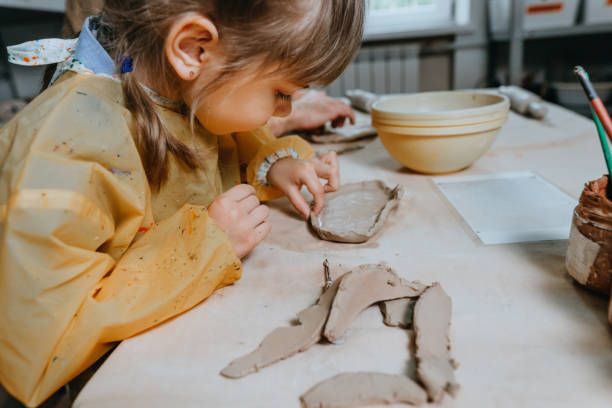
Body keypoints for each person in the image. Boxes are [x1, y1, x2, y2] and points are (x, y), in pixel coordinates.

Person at [0, 1, 365, 406]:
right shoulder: (65, 150)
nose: (286, 112)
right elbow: (42, 346)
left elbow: (212, 148)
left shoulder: (177, 92)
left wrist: (274, 164)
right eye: (281, 93)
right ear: (193, 50)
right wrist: (204, 244)